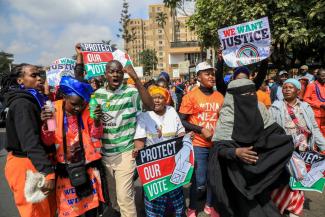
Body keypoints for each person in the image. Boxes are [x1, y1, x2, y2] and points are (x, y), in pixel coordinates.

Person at [209, 78, 294, 217]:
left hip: (259, 172)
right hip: (236, 174)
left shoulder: (259, 107)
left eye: (252, 93)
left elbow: (274, 133)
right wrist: (236, 152)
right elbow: (218, 149)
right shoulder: (227, 114)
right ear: (234, 97)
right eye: (245, 94)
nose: (250, 97)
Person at [40, 76, 108, 217]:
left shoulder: (89, 108)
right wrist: (46, 125)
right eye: (74, 104)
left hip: (87, 167)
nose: (78, 108)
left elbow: (96, 136)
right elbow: (48, 142)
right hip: (65, 172)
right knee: (69, 212)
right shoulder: (53, 109)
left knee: (91, 210)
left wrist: (96, 122)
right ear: (64, 97)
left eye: (82, 104)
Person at [94, 60, 154, 217]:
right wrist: (96, 119)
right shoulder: (98, 95)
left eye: (119, 72)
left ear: (123, 74)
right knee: (114, 200)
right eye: (111, 71)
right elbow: (94, 126)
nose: (115, 74)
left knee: (124, 198)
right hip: (105, 155)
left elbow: (150, 106)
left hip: (126, 152)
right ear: (106, 74)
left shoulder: (132, 92)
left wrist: (136, 79)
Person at [1, 64, 56, 217]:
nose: (39, 78)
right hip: (26, 165)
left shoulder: (32, 100)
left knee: (46, 211)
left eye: (40, 75)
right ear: (20, 80)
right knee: (34, 212)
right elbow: (29, 140)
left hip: (33, 162)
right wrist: (48, 172)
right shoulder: (22, 104)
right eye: (33, 75)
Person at [269, 79, 325, 216]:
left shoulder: (305, 107)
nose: (286, 89)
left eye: (290, 87)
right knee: (283, 179)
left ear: (298, 91)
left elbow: (314, 128)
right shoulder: (275, 107)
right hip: (283, 149)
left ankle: (295, 208)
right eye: (285, 87)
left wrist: (323, 145)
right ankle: (280, 207)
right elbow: (269, 129)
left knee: (298, 180)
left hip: (302, 151)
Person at [133, 85, 186, 217]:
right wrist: (138, 150)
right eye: (153, 98)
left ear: (166, 99)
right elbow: (140, 139)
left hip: (172, 163)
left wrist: (185, 140)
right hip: (154, 166)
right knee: (155, 200)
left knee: (175, 199)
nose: (156, 101)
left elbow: (180, 132)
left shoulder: (172, 111)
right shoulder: (144, 115)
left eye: (160, 97)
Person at [179, 61, 224, 217]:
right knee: (199, 180)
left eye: (212, 73)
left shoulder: (220, 97)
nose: (211, 76)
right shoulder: (190, 96)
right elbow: (182, 121)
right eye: (207, 73)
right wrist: (200, 129)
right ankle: (192, 207)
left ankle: (209, 205)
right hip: (198, 144)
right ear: (198, 76)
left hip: (216, 144)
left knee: (213, 177)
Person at [303, 68, 325, 136]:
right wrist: (319, 105)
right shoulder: (311, 85)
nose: (324, 77)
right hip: (316, 115)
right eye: (323, 76)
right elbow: (305, 99)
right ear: (317, 76)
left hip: (324, 114)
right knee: (317, 134)